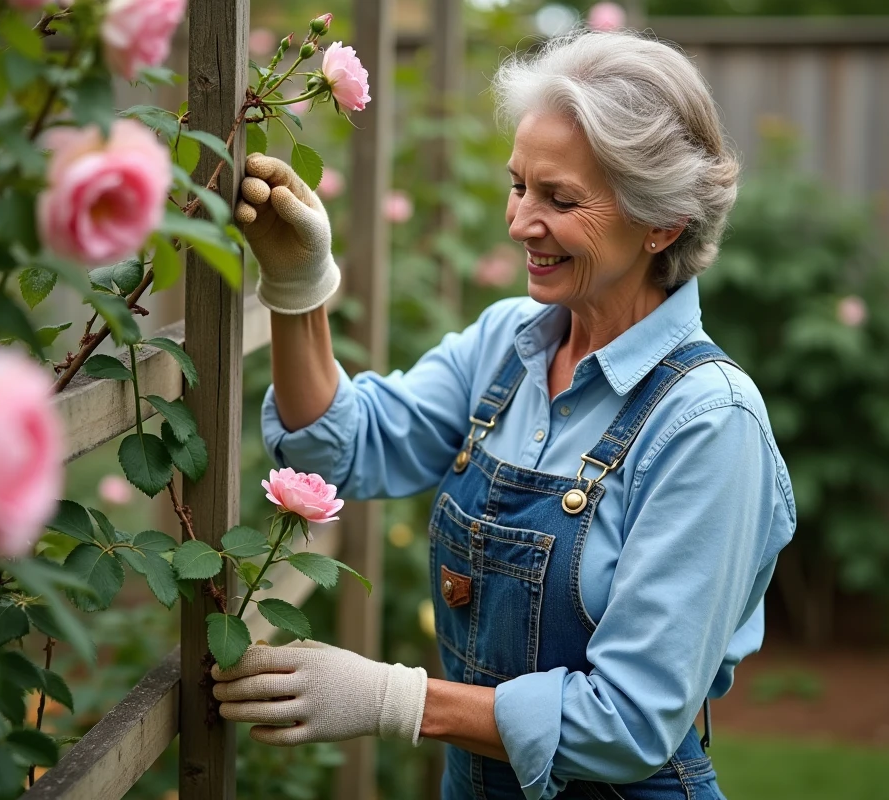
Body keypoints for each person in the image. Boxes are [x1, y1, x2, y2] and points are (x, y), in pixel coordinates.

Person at [212, 29, 796, 800]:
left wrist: (398, 700)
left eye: (561, 199)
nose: (521, 221)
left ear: (661, 223)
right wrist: (299, 288)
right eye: (520, 185)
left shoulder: (708, 424)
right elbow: (337, 451)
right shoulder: (507, 346)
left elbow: (630, 723)